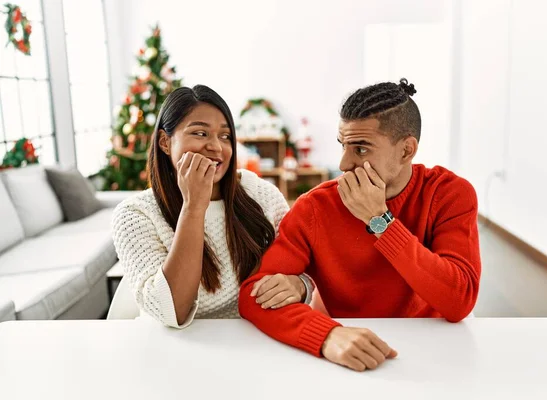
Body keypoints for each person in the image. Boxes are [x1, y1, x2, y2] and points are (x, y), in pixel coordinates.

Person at [239, 78, 481, 371]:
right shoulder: (315, 207)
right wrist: (327, 335)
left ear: (406, 150)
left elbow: (459, 300)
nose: (343, 163)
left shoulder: (449, 194)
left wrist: (380, 221)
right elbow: (253, 296)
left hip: (429, 351)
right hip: (345, 352)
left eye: (361, 149)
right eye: (343, 145)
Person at [112, 85, 312, 328]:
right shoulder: (135, 214)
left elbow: (306, 268)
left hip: (254, 341)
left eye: (225, 136)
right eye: (200, 133)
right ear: (165, 142)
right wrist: (194, 205)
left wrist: (299, 285)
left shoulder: (260, 193)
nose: (216, 147)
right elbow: (170, 312)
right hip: (173, 348)